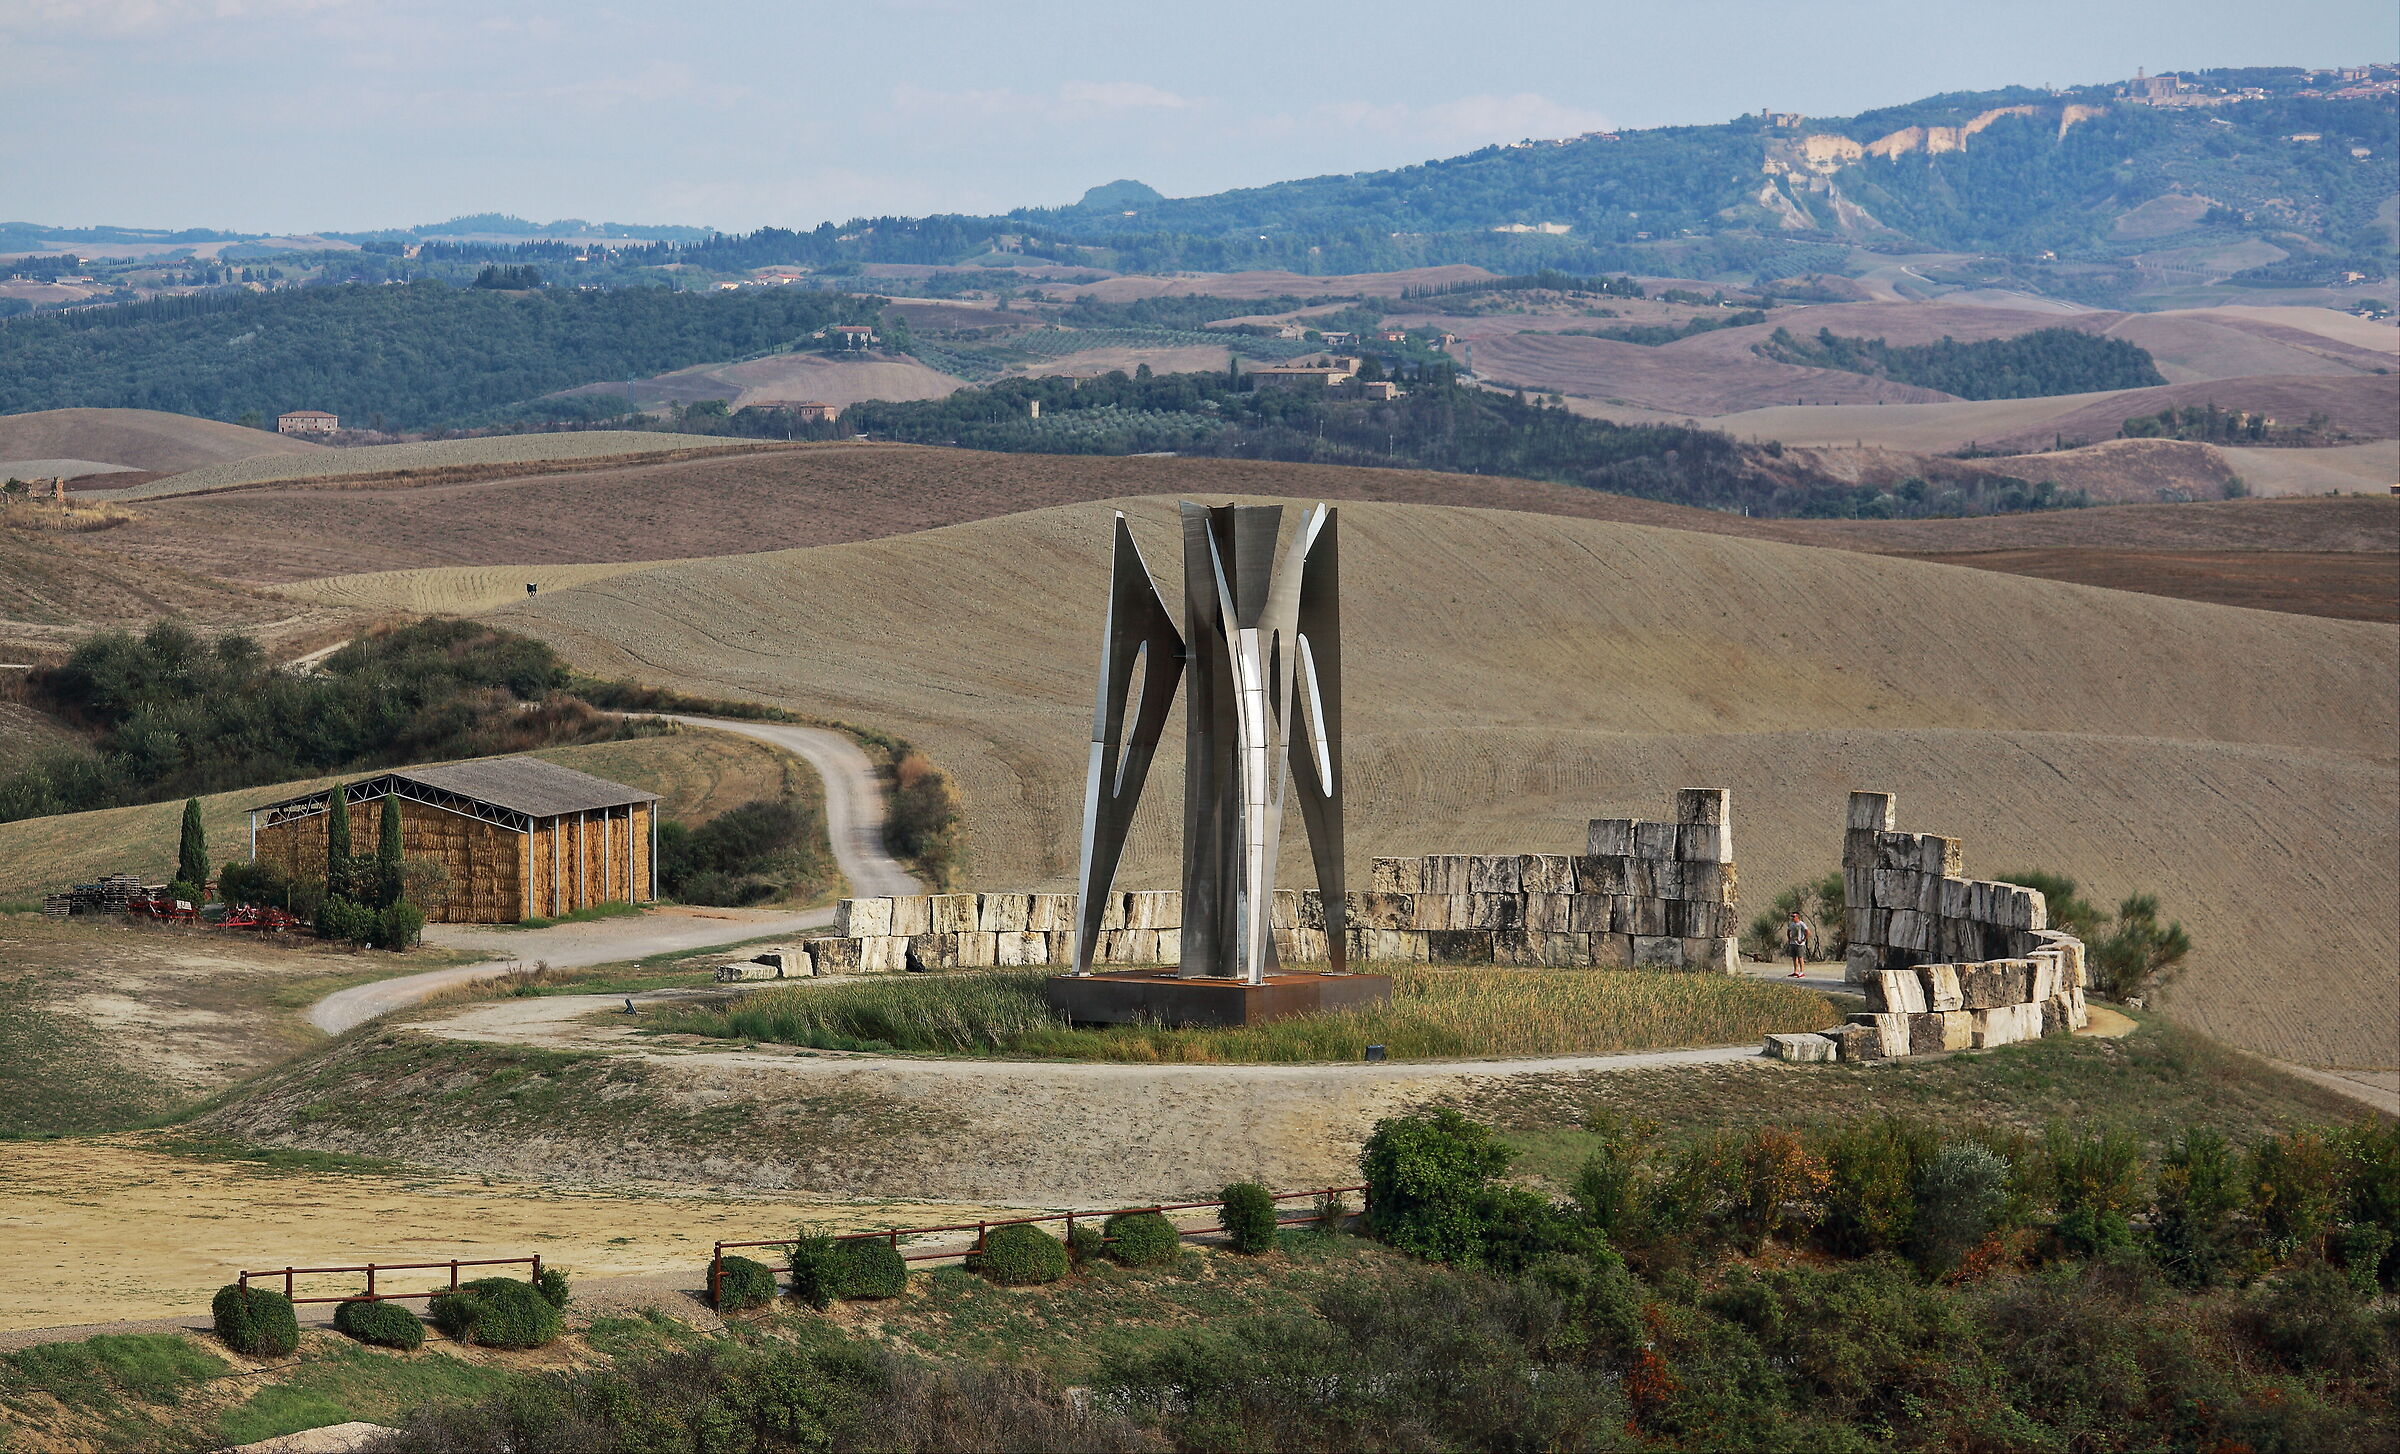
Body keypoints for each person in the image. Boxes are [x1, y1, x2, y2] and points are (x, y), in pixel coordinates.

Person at [1784, 911, 1814, 977]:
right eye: (1792, 917)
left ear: (1797, 917)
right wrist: (1789, 939)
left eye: (1794, 917)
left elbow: (1807, 932)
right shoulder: (1792, 924)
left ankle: (1801, 971)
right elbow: (1788, 931)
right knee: (1794, 958)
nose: (1793, 918)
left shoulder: (1801, 924)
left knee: (1800, 957)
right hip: (1793, 943)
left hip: (1800, 944)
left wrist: (1803, 939)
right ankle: (1795, 971)